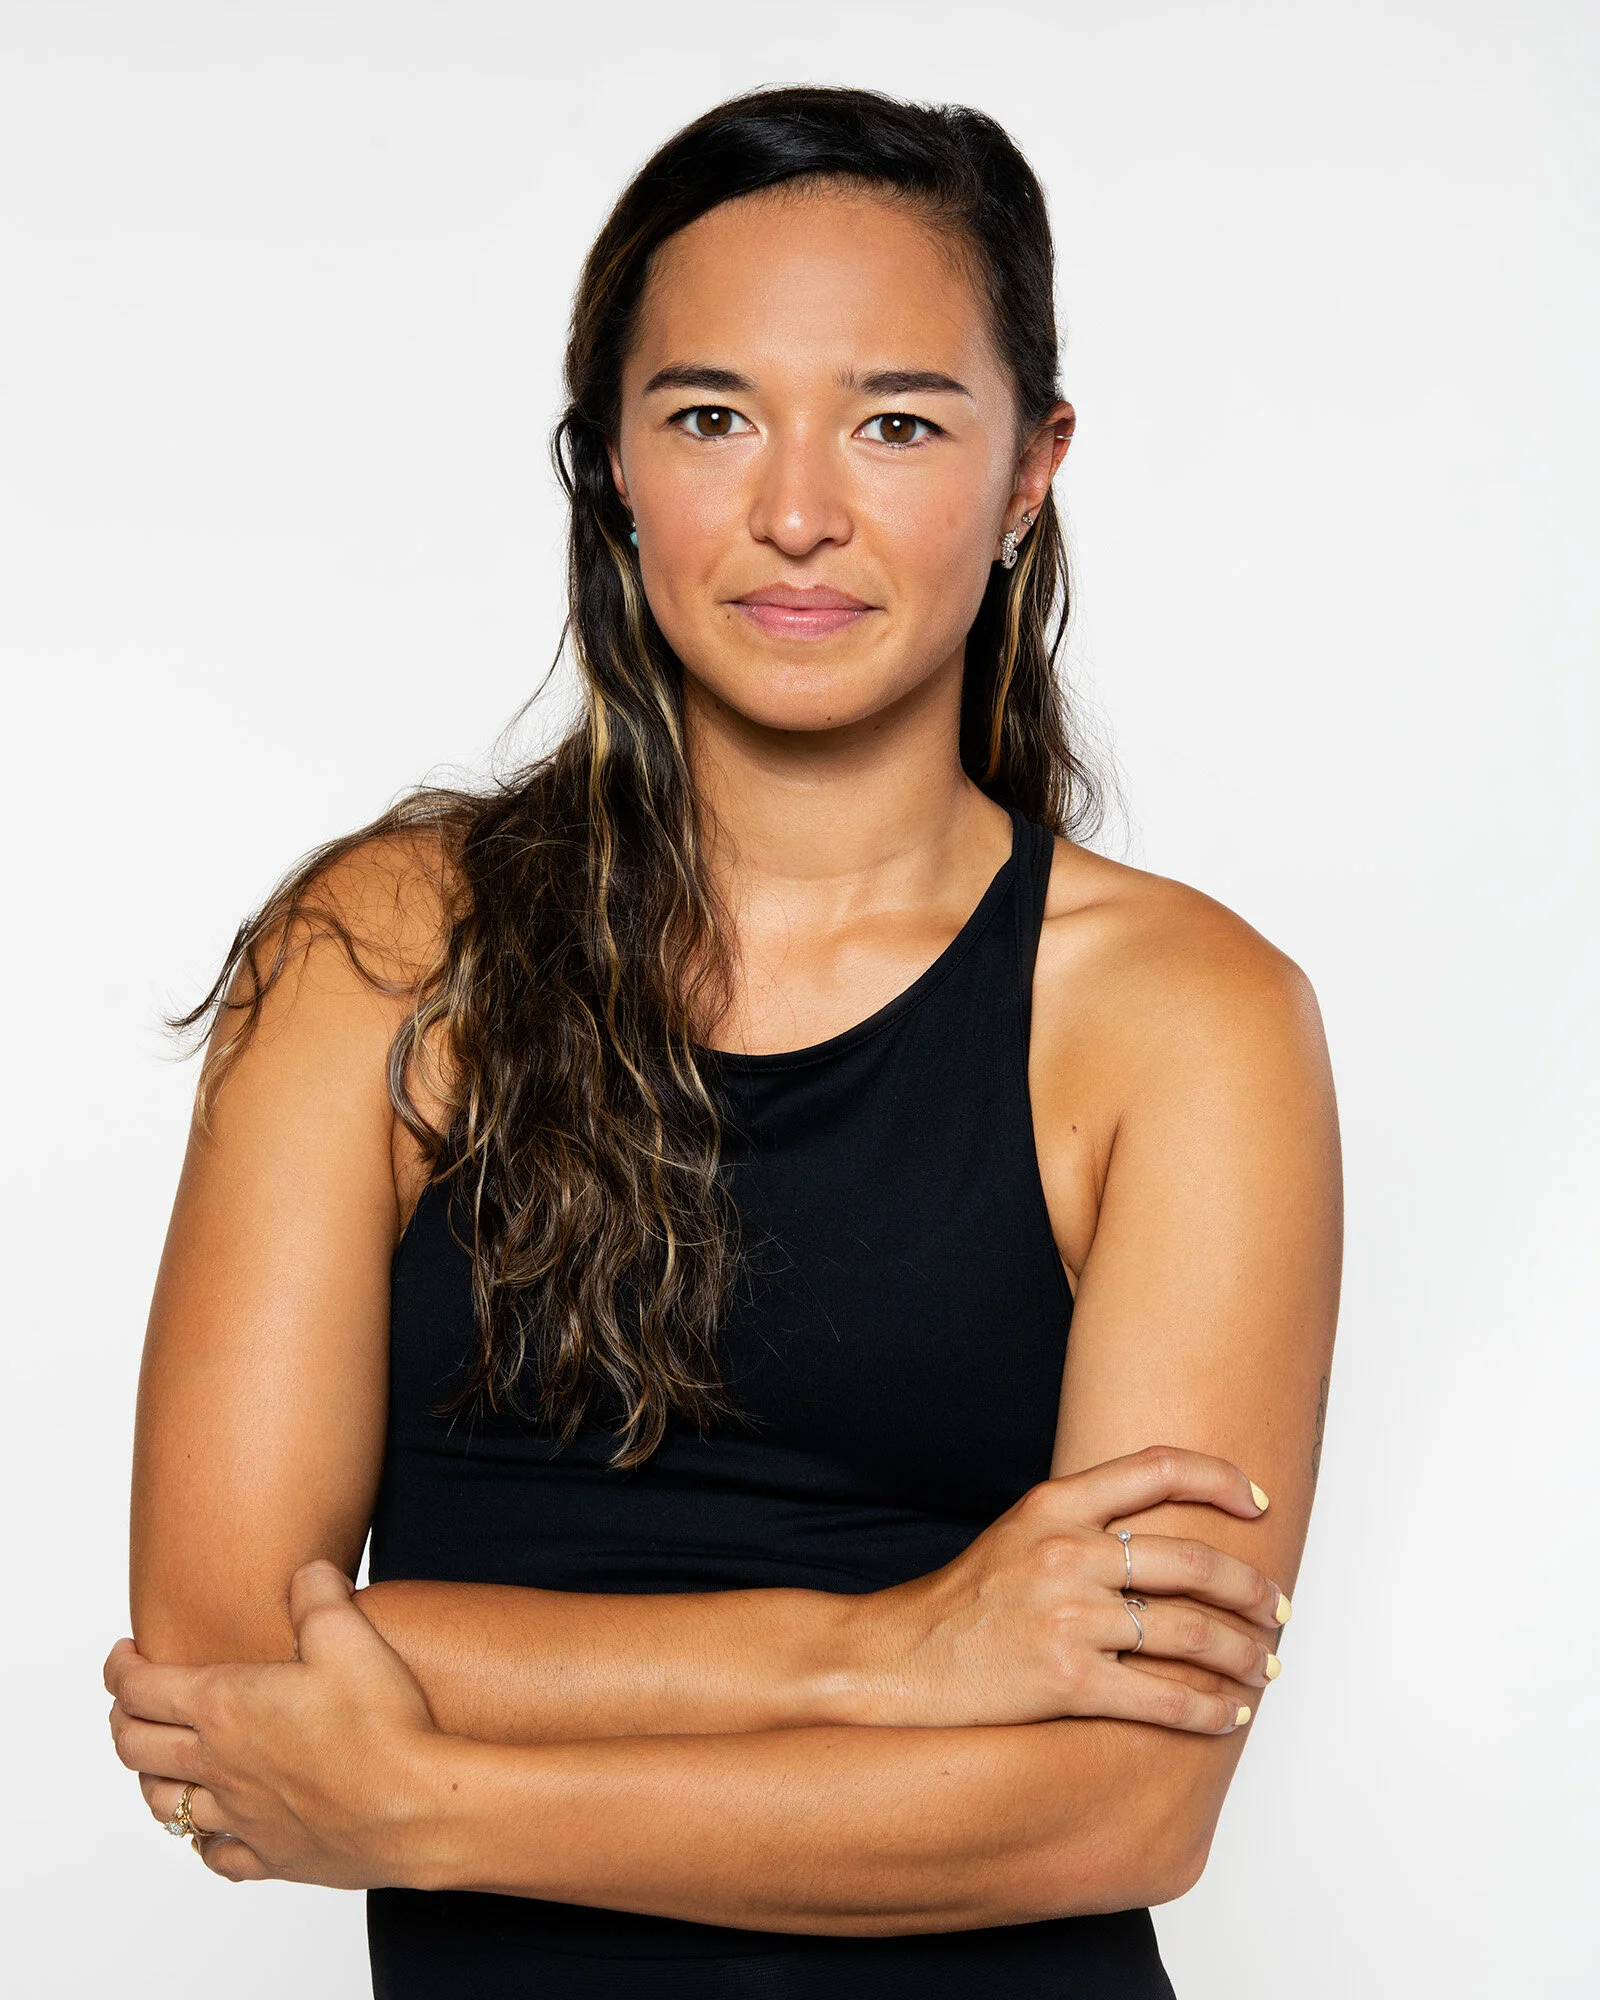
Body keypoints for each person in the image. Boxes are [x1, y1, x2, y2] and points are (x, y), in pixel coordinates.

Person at [106, 85, 1341, 2000]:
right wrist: (895, 1652)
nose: (796, 510)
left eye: (899, 421)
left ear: (1032, 472)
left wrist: (424, 1805)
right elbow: (217, 1674)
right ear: (608, 460)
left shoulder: (1184, 1021)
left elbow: (1114, 1810)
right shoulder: (380, 954)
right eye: (710, 416)